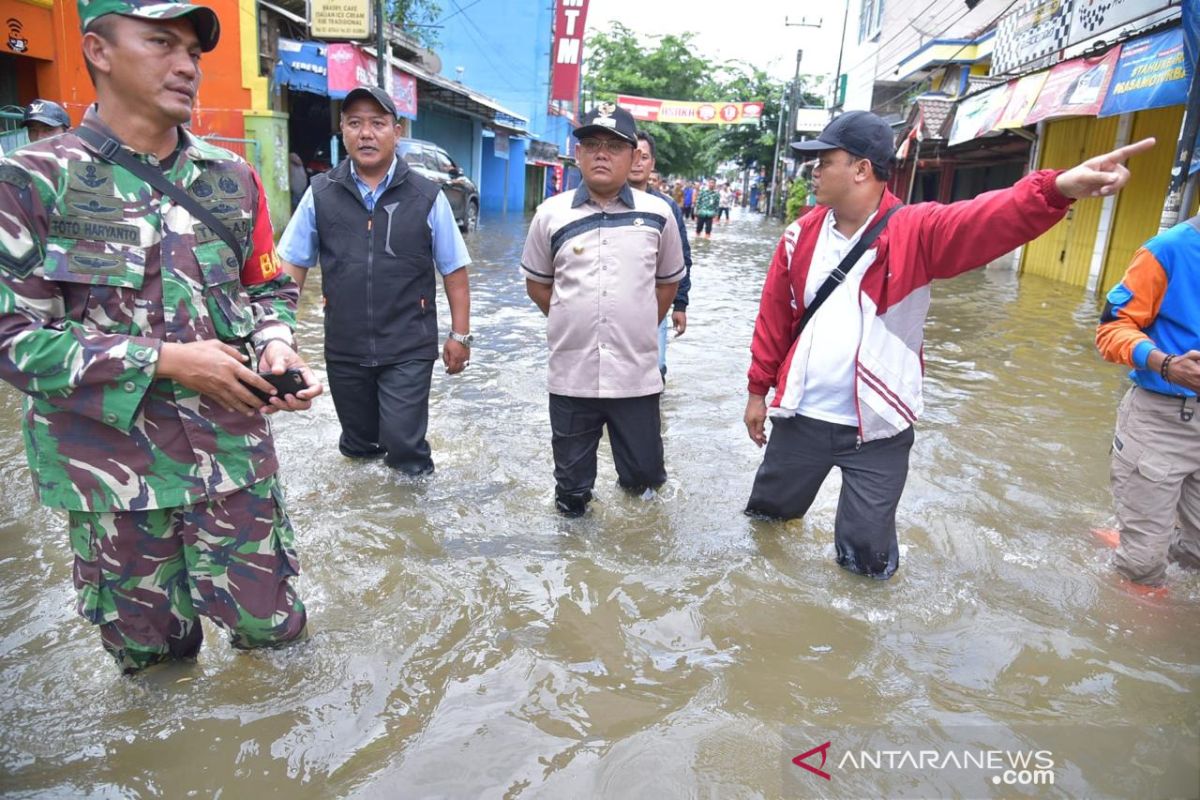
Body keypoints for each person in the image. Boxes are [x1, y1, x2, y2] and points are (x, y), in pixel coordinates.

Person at [0, 0, 322, 673]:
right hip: (112, 484)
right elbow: (14, 339)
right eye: (160, 43)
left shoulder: (233, 180)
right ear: (97, 50)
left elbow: (266, 288)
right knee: (154, 669)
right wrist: (169, 362)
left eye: (195, 54)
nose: (185, 67)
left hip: (233, 463)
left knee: (276, 647)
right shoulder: (29, 182)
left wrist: (275, 343)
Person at [744, 110, 1153, 579]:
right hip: (801, 416)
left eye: (824, 159)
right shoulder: (799, 237)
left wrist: (1058, 188)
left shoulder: (916, 230)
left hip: (879, 427)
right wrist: (758, 392)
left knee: (867, 564)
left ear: (861, 169)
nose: (812, 170)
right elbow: (774, 319)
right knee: (765, 525)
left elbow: (987, 216)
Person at [279, 85, 471, 476]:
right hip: (345, 344)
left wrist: (460, 335)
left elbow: (454, 269)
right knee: (358, 446)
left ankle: (413, 523)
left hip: (408, 345)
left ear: (396, 132)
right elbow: (293, 265)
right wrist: (280, 328)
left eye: (378, 124)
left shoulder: (427, 195)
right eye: (355, 123)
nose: (366, 133)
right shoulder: (321, 193)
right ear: (343, 131)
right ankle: (366, 522)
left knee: (404, 445)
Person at [520, 104, 685, 516]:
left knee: (644, 489)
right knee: (571, 497)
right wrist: (573, 319)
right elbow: (538, 284)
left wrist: (637, 324)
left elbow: (667, 284)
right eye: (591, 144)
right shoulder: (551, 215)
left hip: (636, 379)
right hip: (571, 378)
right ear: (577, 154)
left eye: (614, 146)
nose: (601, 154)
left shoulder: (659, 214)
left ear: (633, 157)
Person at [1095, 213, 1200, 588]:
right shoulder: (1166, 251)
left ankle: (1139, 532)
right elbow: (1111, 329)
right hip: (1162, 419)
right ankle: (1138, 542)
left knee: (1196, 555)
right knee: (1140, 566)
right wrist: (1166, 364)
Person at [629, 131, 692, 380]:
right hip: (611, 304)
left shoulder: (666, 208)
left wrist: (680, 304)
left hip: (655, 303)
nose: (637, 162)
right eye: (632, 155)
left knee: (655, 371)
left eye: (644, 157)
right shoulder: (603, 201)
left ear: (652, 163)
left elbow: (681, 258)